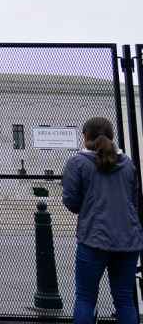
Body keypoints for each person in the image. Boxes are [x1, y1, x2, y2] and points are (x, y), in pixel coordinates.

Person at [62, 117, 143, 324]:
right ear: (112, 136)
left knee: (86, 299)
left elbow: (71, 201)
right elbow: (133, 202)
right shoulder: (128, 165)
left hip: (93, 239)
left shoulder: (77, 163)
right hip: (128, 240)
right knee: (125, 300)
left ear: (85, 136)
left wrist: (89, 208)